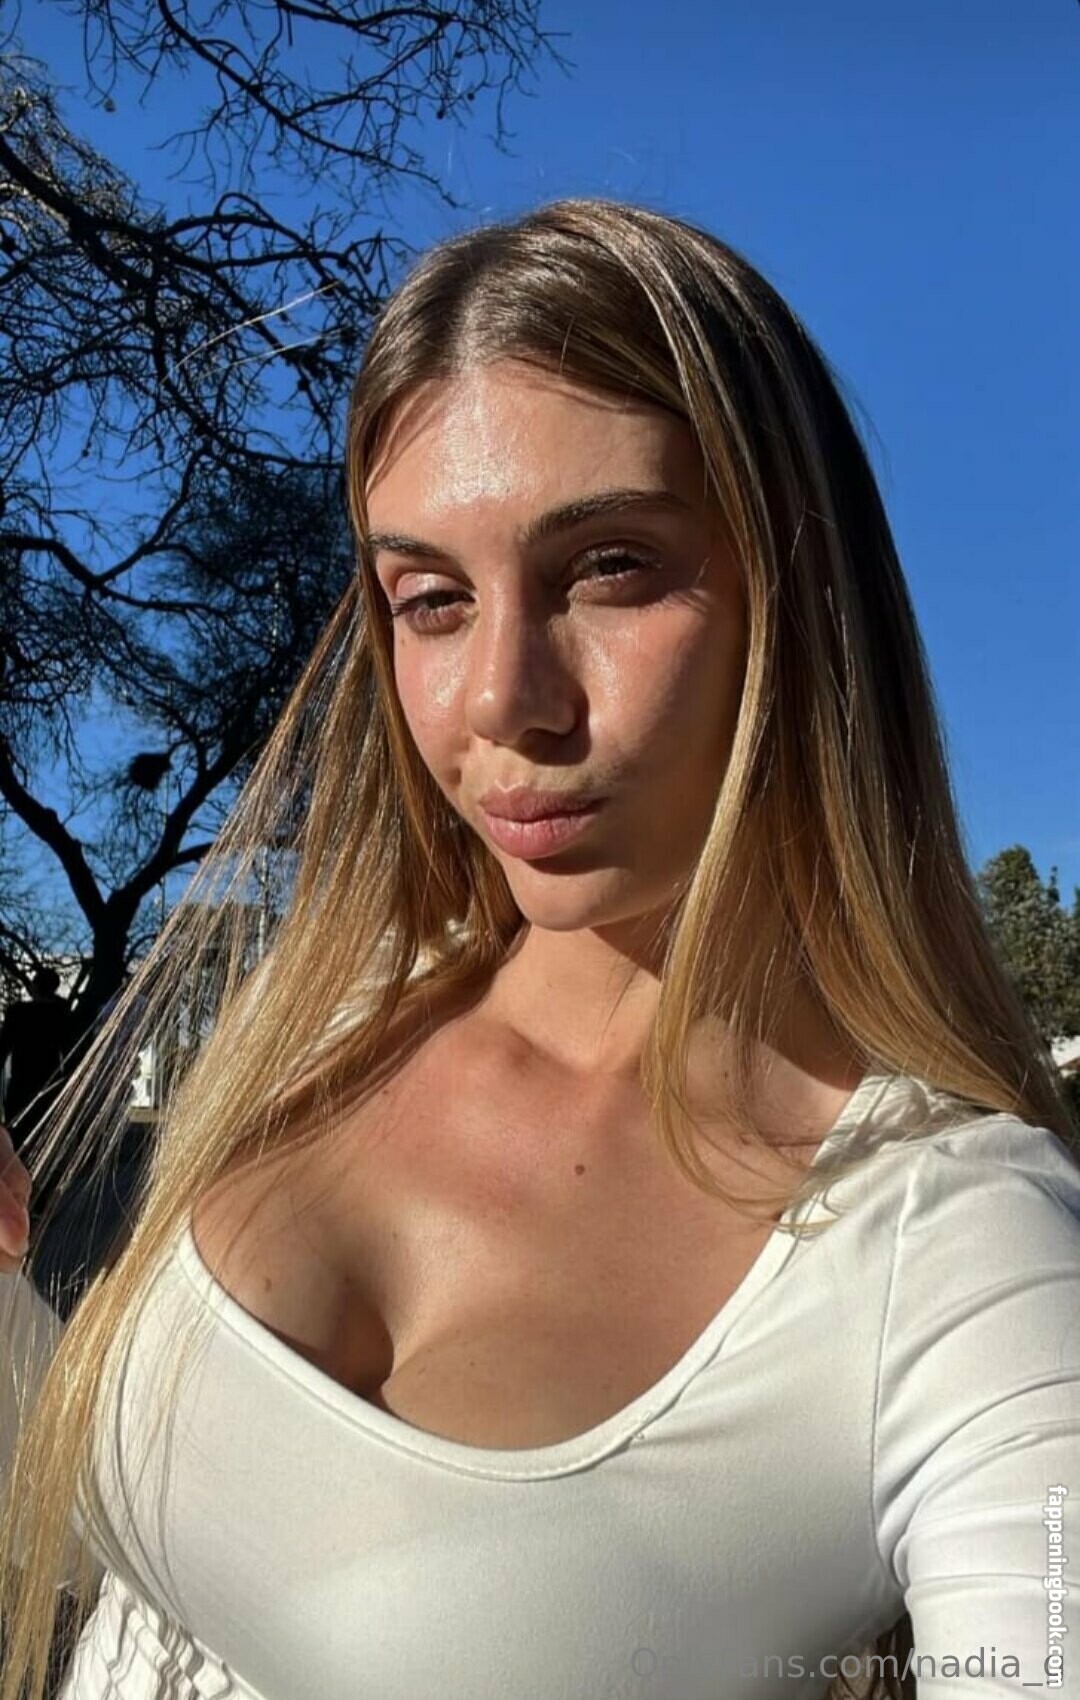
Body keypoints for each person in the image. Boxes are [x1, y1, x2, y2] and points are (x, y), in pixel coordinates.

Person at [0, 197, 1078, 1700]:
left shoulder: (963, 1252)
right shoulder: (336, 1014)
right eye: (431, 599)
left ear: (804, 594)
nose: (501, 697)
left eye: (612, 566)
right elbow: (124, 1547)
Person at [0, 968, 74, 1160]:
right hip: (48, 1082)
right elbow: (68, 1049)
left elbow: (3, 1046)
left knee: (16, 1133)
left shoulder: (18, 1013)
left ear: (35, 986)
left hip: (20, 1083)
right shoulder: (60, 1014)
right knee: (43, 1134)